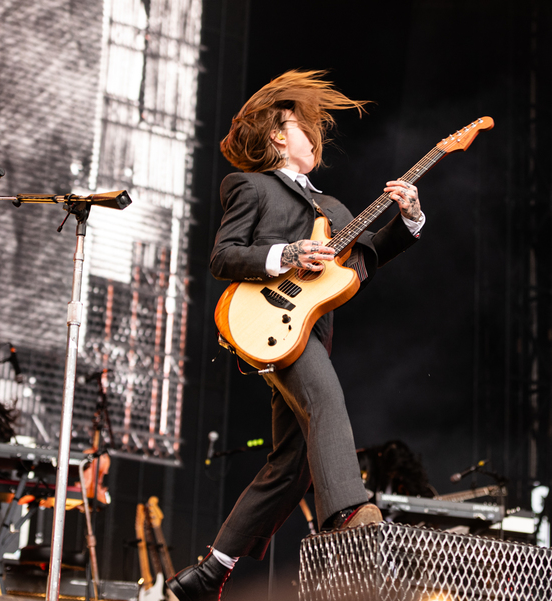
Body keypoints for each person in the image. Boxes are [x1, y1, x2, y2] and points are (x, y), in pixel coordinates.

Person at [167, 70, 425, 601]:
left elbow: (367, 258)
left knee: (289, 466)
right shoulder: (250, 186)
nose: (315, 135)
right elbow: (223, 255)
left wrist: (411, 217)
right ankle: (349, 513)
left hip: (310, 329)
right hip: (265, 321)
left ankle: (209, 572)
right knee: (327, 399)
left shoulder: (334, 209)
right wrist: (287, 255)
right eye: (302, 126)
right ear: (279, 135)